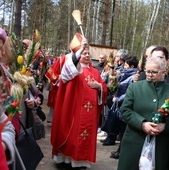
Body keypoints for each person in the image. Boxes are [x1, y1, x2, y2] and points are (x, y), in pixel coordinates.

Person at [51, 34, 107, 170]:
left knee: (84, 137)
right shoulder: (73, 67)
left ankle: (81, 162)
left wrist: (99, 87)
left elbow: (104, 88)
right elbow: (64, 75)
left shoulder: (95, 71)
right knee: (70, 135)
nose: (87, 56)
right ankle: (66, 160)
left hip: (90, 114)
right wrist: (80, 50)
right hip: (73, 111)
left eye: (89, 53)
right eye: (84, 53)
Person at [117, 56, 169, 170]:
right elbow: (125, 110)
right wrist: (142, 123)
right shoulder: (135, 87)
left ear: (164, 72)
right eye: (147, 71)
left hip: (161, 146)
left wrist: (165, 126)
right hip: (135, 142)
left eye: (154, 72)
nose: (149, 75)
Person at [110, 56, 139, 159]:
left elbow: (128, 93)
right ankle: (120, 151)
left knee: (123, 132)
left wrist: (117, 99)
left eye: (126, 65)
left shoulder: (133, 76)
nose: (124, 66)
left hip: (125, 106)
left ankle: (121, 152)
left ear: (131, 66)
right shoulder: (125, 74)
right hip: (121, 105)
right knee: (121, 131)